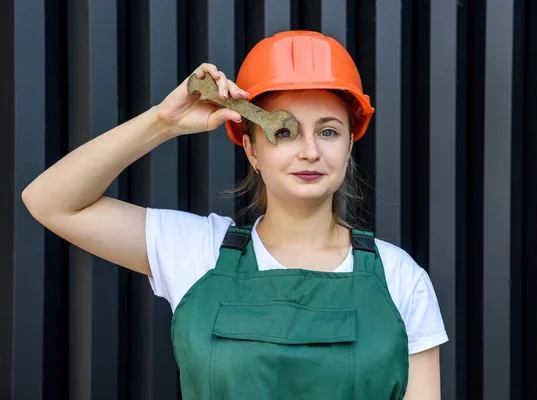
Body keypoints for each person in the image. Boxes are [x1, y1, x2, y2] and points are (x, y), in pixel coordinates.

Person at [22, 31, 448, 399]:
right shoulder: (196, 252)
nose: (310, 151)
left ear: (349, 147)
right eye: (284, 130)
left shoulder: (400, 277)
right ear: (251, 149)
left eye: (328, 131)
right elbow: (51, 201)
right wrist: (163, 122)